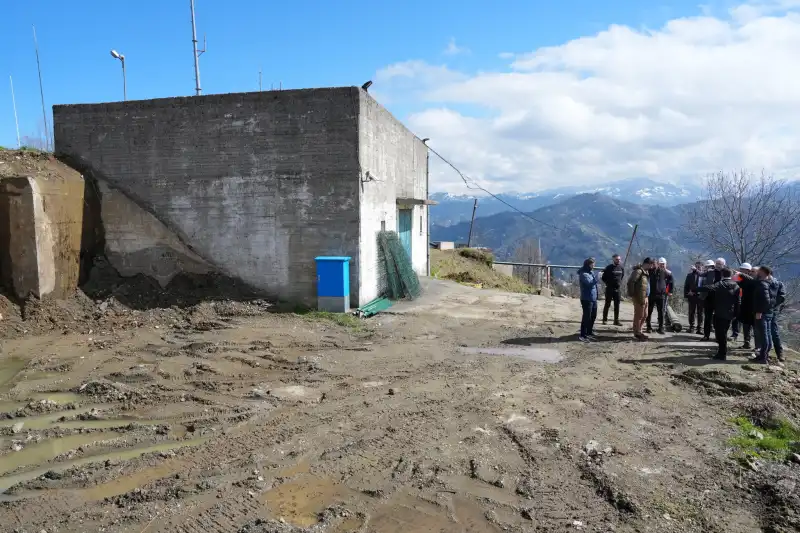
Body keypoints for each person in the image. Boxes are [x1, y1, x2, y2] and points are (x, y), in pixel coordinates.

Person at [697, 267, 741, 360]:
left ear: (722, 275)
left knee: (720, 334)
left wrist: (695, 289)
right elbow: (738, 301)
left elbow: (709, 287)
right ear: (731, 275)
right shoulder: (736, 286)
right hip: (730, 313)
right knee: (723, 333)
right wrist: (736, 314)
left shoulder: (720, 284)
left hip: (720, 313)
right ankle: (721, 352)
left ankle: (722, 354)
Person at [751, 266, 785, 365]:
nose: (757, 273)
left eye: (759, 271)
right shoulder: (770, 284)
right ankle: (765, 355)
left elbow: (767, 300)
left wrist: (760, 311)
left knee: (766, 334)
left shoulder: (764, 284)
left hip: (765, 312)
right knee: (768, 333)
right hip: (769, 311)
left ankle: (764, 356)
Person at [647, 258, 673, 335]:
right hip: (651, 294)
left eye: (655, 264)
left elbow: (671, 280)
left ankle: (661, 328)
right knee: (649, 311)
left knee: (661, 312)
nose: (654, 265)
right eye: (653, 264)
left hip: (661, 295)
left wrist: (670, 291)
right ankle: (648, 326)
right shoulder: (649, 271)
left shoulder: (664, 271)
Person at [627, 257, 652, 341]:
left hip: (646, 296)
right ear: (647, 264)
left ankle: (640, 330)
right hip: (639, 296)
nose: (652, 267)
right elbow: (631, 282)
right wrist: (633, 294)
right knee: (639, 315)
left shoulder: (646, 272)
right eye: (651, 265)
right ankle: (637, 333)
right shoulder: (638, 271)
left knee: (645, 315)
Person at [733, 263, 757, 350]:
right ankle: (746, 343)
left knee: (754, 327)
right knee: (745, 325)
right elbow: (735, 283)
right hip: (744, 304)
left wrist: (740, 274)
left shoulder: (755, 280)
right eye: (741, 269)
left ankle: (758, 346)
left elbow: (751, 280)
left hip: (753, 306)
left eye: (743, 269)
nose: (741, 270)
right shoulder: (742, 279)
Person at [700, 259, 723, 340]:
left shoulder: (725, 273)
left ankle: (718, 337)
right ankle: (706, 335)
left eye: (719, 264)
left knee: (718, 319)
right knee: (707, 318)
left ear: (723, 265)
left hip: (719, 299)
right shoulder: (710, 272)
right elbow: (701, 275)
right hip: (708, 298)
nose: (717, 265)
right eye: (717, 263)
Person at [578, 258, 599, 341]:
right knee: (586, 316)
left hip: (593, 298)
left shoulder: (591, 272)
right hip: (586, 298)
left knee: (593, 315)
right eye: (592, 264)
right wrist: (597, 277)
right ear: (588, 264)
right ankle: (583, 334)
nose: (593, 266)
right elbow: (590, 283)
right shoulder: (583, 274)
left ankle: (589, 332)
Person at [601, 254, 625, 326]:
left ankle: (616, 320)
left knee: (617, 305)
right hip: (609, 289)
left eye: (619, 259)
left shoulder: (621, 268)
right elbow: (603, 278)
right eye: (617, 259)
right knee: (607, 304)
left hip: (617, 289)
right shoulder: (608, 268)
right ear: (613, 259)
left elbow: (622, 276)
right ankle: (604, 320)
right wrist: (608, 283)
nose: (618, 260)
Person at [684, 261, 705, 334]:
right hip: (692, 296)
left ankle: (699, 328)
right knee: (691, 312)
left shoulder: (704, 275)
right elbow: (686, 286)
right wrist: (687, 294)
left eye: (699, 267)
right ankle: (691, 327)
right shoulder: (690, 275)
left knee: (700, 313)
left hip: (701, 297)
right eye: (696, 267)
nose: (697, 268)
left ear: (702, 267)